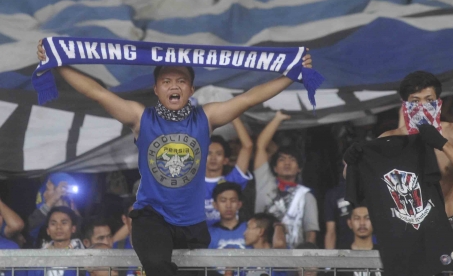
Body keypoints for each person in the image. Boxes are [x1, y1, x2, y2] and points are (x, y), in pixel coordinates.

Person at [37, 40, 312, 276]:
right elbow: (95, 92)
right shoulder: (140, 117)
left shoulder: (206, 117)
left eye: (181, 81)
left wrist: (291, 75)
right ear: (156, 89)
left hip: (192, 224)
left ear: (191, 90)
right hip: (151, 217)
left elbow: (250, 98)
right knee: (156, 265)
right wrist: (57, 61)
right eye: (166, 81)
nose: (174, 86)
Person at [347, 71, 453, 276]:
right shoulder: (389, 138)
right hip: (412, 228)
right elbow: (358, 180)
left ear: (439, 103)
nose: (422, 106)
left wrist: (443, 145)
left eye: (429, 100)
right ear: (404, 104)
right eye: (415, 101)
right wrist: (350, 161)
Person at [254, 111, 319, 248]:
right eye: (282, 159)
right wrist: (277, 118)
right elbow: (261, 146)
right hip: (262, 256)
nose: (287, 163)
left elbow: (310, 233)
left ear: (299, 168)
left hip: (293, 262)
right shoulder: (264, 182)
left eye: (292, 160)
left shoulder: (306, 196)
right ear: (275, 168)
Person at [206, 118, 253, 226]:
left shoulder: (233, 181)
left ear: (226, 160)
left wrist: (234, 116)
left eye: (218, 154)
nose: (213, 158)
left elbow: (248, 146)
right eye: (209, 153)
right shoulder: (191, 183)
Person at [28, 172, 81, 247]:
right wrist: (52, 201)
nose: (44, 194)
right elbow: (30, 227)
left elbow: (82, 229)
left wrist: (68, 204)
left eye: (47, 189)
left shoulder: (75, 220)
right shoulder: (41, 220)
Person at [208, 182, 247, 249]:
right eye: (223, 200)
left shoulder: (249, 229)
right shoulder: (208, 234)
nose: (228, 205)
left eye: (233, 200)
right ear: (215, 205)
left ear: (239, 204)